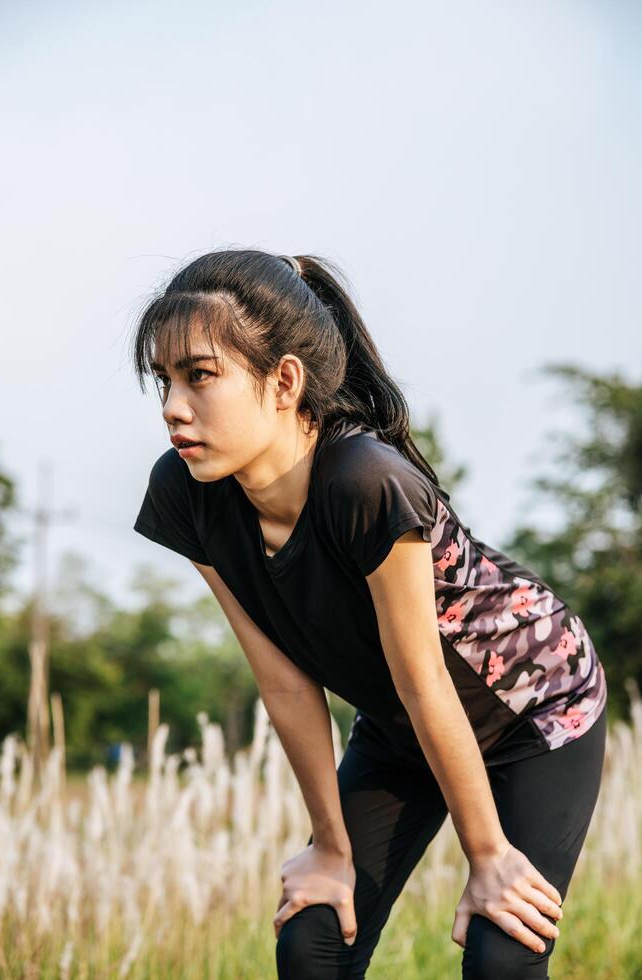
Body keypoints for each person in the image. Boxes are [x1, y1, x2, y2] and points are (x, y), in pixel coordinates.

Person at [131, 249, 608, 979]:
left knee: (500, 955)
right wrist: (329, 845)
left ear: (284, 381)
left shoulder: (365, 482)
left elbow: (425, 680)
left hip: (535, 711)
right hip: (402, 729)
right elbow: (286, 681)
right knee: (314, 939)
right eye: (164, 379)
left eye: (200, 375)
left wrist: (487, 857)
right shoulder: (188, 491)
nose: (172, 404)